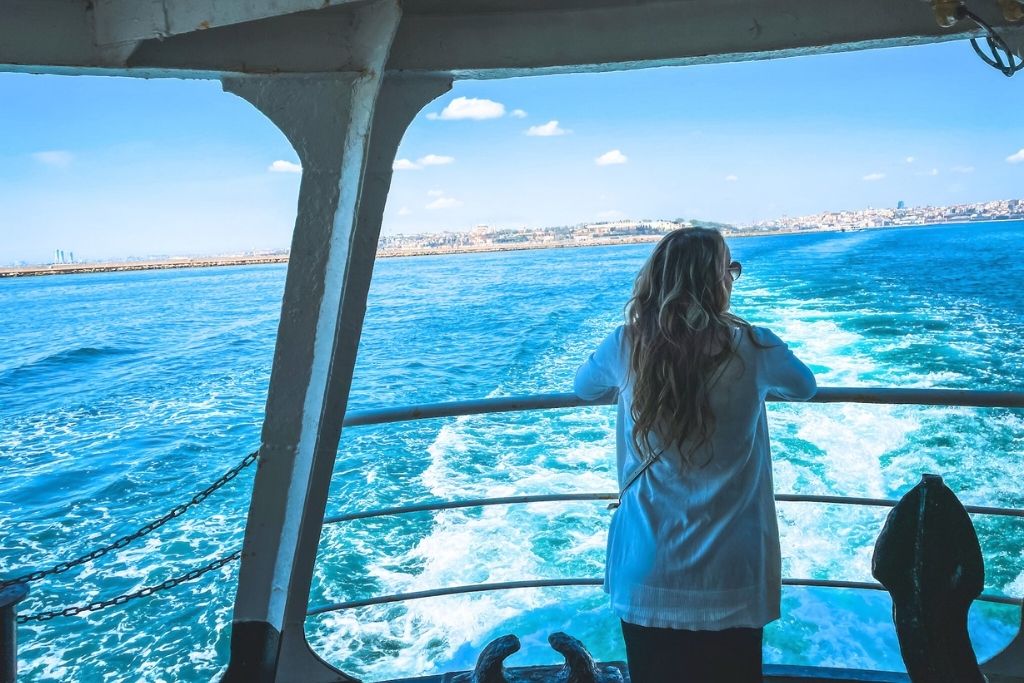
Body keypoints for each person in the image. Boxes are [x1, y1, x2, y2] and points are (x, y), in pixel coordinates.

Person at [574, 227, 816, 683]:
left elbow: (582, 388)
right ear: (716, 282)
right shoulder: (757, 346)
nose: (733, 278)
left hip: (649, 571)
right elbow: (805, 387)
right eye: (730, 270)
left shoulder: (625, 345)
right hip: (732, 574)